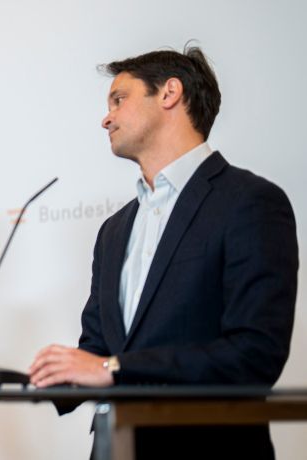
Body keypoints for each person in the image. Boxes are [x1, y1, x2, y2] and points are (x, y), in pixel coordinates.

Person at [29, 46, 298, 459]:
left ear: (170, 93)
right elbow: (99, 350)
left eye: (119, 99)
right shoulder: (113, 231)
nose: (106, 117)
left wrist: (110, 370)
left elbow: (254, 355)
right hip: (116, 447)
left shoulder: (250, 202)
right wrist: (45, 376)